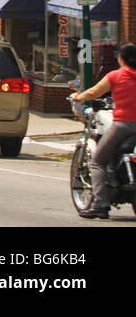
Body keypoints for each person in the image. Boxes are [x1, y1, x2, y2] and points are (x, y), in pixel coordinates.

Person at [69, 42, 136, 219]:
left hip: (124, 125)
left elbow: (94, 92)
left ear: (121, 59)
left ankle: (100, 204)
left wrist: (78, 96)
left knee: (97, 160)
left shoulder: (117, 75)